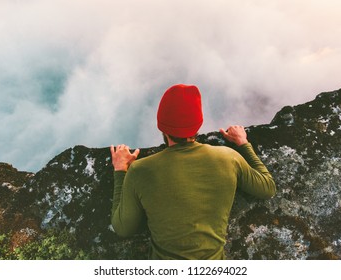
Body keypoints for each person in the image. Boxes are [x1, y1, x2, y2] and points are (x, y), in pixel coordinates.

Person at [110, 84, 276, 259]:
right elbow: (267, 188)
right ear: (198, 125)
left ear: (162, 126)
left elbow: (122, 228)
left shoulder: (140, 170)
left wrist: (120, 170)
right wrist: (243, 144)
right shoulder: (229, 158)